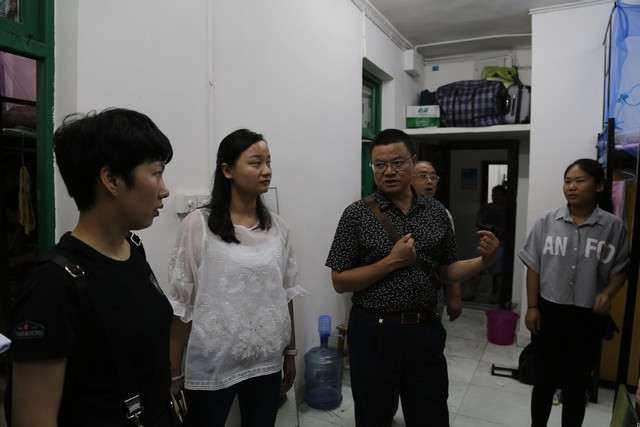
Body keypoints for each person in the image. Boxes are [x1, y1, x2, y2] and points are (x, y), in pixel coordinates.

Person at [10, 108, 174, 427]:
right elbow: (33, 419)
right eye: (156, 173)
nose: (164, 189)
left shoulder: (133, 249)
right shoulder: (51, 285)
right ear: (111, 180)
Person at [325, 129, 500, 427]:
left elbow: (446, 270)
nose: (388, 171)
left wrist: (484, 261)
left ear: (412, 161)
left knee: (430, 414)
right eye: (380, 165)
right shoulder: (356, 214)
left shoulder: (436, 213)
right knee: (373, 416)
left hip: (424, 329)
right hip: (374, 332)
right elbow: (340, 280)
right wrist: (391, 262)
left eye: (397, 163)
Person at [168, 129, 305, 427]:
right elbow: (182, 303)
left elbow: (285, 294)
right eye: (256, 162)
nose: (266, 170)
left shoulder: (278, 229)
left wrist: (290, 352)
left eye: (268, 162)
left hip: (266, 360)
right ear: (227, 170)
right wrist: (174, 370)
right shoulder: (199, 225)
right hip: (213, 361)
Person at [519, 158, 629, 427]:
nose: (571, 187)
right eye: (567, 181)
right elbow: (533, 266)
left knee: (576, 386)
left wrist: (608, 294)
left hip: (586, 317)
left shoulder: (613, 227)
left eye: (580, 181)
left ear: (599, 186)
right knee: (543, 381)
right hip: (549, 312)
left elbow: (621, 269)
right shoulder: (547, 222)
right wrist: (532, 306)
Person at [412, 160, 462, 321]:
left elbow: (450, 257)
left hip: (432, 287)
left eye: (433, 177)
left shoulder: (442, 214)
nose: (429, 181)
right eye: (423, 176)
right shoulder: (394, 210)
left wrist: (455, 295)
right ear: (409, 180)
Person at [476, 185, 508, 304]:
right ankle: (474, 294)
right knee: (477, 269)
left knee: (498, 273)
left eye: (497, 195)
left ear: (503, 196)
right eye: (493, 194)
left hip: (501, 245)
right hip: (484, 243)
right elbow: (478, 223)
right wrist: (493, 228)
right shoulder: (486, 208)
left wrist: (492, 229)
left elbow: (505, 229)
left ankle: (496, 297)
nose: (494, 197)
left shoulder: (506, 210)